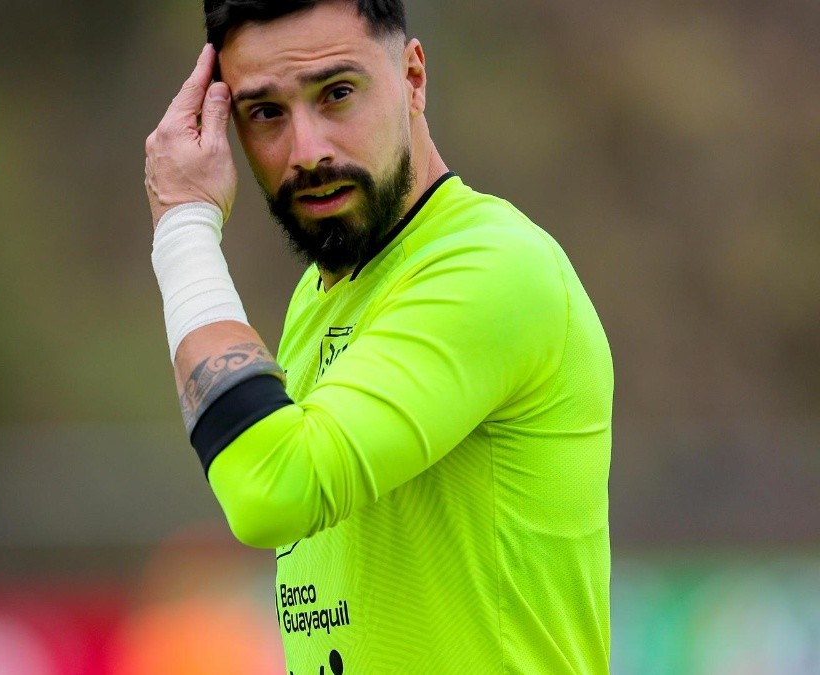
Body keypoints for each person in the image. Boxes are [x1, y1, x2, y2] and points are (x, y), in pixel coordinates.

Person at [143, 0, 613, 671]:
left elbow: (272, 487)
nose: (308, 151)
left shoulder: (493, 267)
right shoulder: (319, 296)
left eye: (337, 93)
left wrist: (184, 229)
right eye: (266, 113)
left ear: (414, 77)